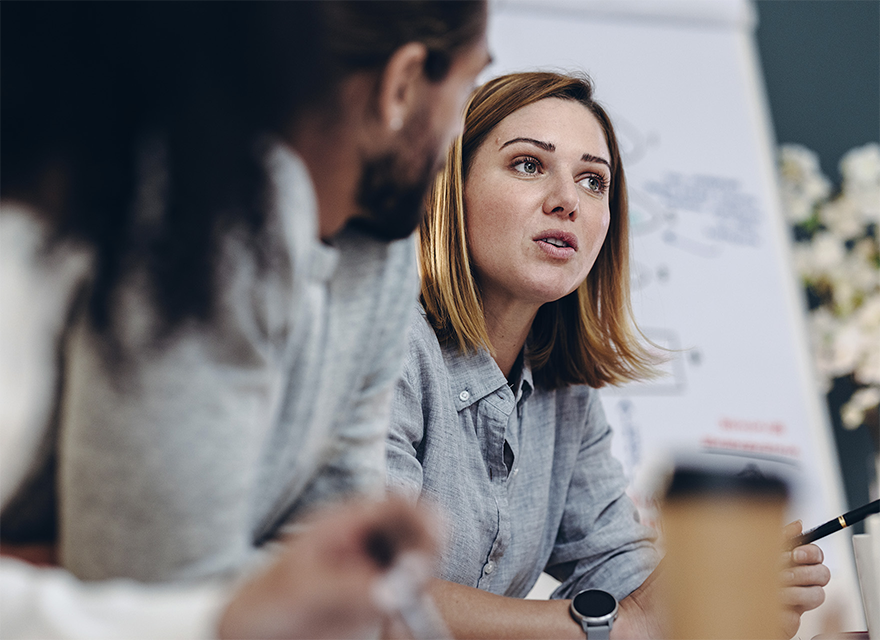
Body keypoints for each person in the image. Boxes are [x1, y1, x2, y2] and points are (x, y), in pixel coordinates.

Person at [0, 0, 488, 636]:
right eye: (470, 88)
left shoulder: (382, 257)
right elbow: (146, 578)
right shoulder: (210, 208)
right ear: (401, 83)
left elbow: (342, 565)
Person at [384, 71, 831, 639]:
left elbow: (613, 565)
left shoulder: (560, 390)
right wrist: (633, 621)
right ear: (451, 188)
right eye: (528, 164)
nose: (567, 201)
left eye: (593, 181)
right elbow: (366, 591)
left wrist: (715, 603)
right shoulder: (383, 350)